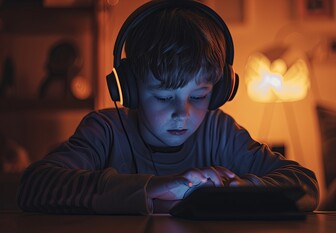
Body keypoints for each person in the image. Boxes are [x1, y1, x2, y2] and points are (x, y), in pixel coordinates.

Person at [17, 0, 319, 215]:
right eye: (163, 97)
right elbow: (35, 185)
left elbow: (304, 184)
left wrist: (243, 188)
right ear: (129, 89)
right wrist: (151, 188)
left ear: (219, 91)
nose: (183, 113)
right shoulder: (105, 131)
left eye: (199, 97)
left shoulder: (219, 130)